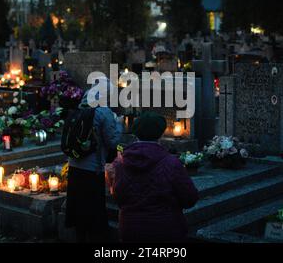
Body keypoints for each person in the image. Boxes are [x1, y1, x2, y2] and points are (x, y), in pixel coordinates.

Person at [108, 112, 199, 243]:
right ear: (161, 134)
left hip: (131, 227)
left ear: (135, 134)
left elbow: (118, 196)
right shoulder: (171, 163)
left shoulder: (119, 163)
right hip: (165, 228)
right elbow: (190, 198)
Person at [64, 80, 123, 243]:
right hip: (93, 168)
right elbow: (112, 141)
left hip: (74, 165)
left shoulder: (79, 109)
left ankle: (80, 238)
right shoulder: (103, 112)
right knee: (94, 208)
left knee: (78, 208)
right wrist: (119, 124)